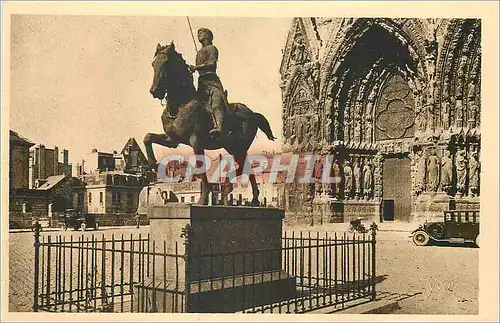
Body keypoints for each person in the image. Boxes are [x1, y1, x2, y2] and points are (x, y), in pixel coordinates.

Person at [189, 28, 228, 138]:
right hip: (202, 82)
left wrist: (196, 67)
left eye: (201, 33)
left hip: (212, 81)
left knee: (216, 102)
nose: (198, 35)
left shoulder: (212, 48)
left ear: (208, 35)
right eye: (198, 33)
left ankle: (219, 128)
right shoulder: (199, 53)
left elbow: (212, 63)